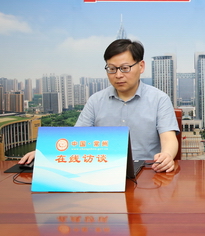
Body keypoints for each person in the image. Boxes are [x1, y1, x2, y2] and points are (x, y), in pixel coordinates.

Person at [20, 39, 179, 173]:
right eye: (112, 69)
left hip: (148, 172)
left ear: (141, 66)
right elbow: (76, 137)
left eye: (125, 68)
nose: (118, 75)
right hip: (102, 171)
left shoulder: (159, 99)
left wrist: (167, 155)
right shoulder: (96, 100)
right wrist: (46, 153)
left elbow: (169, 139)